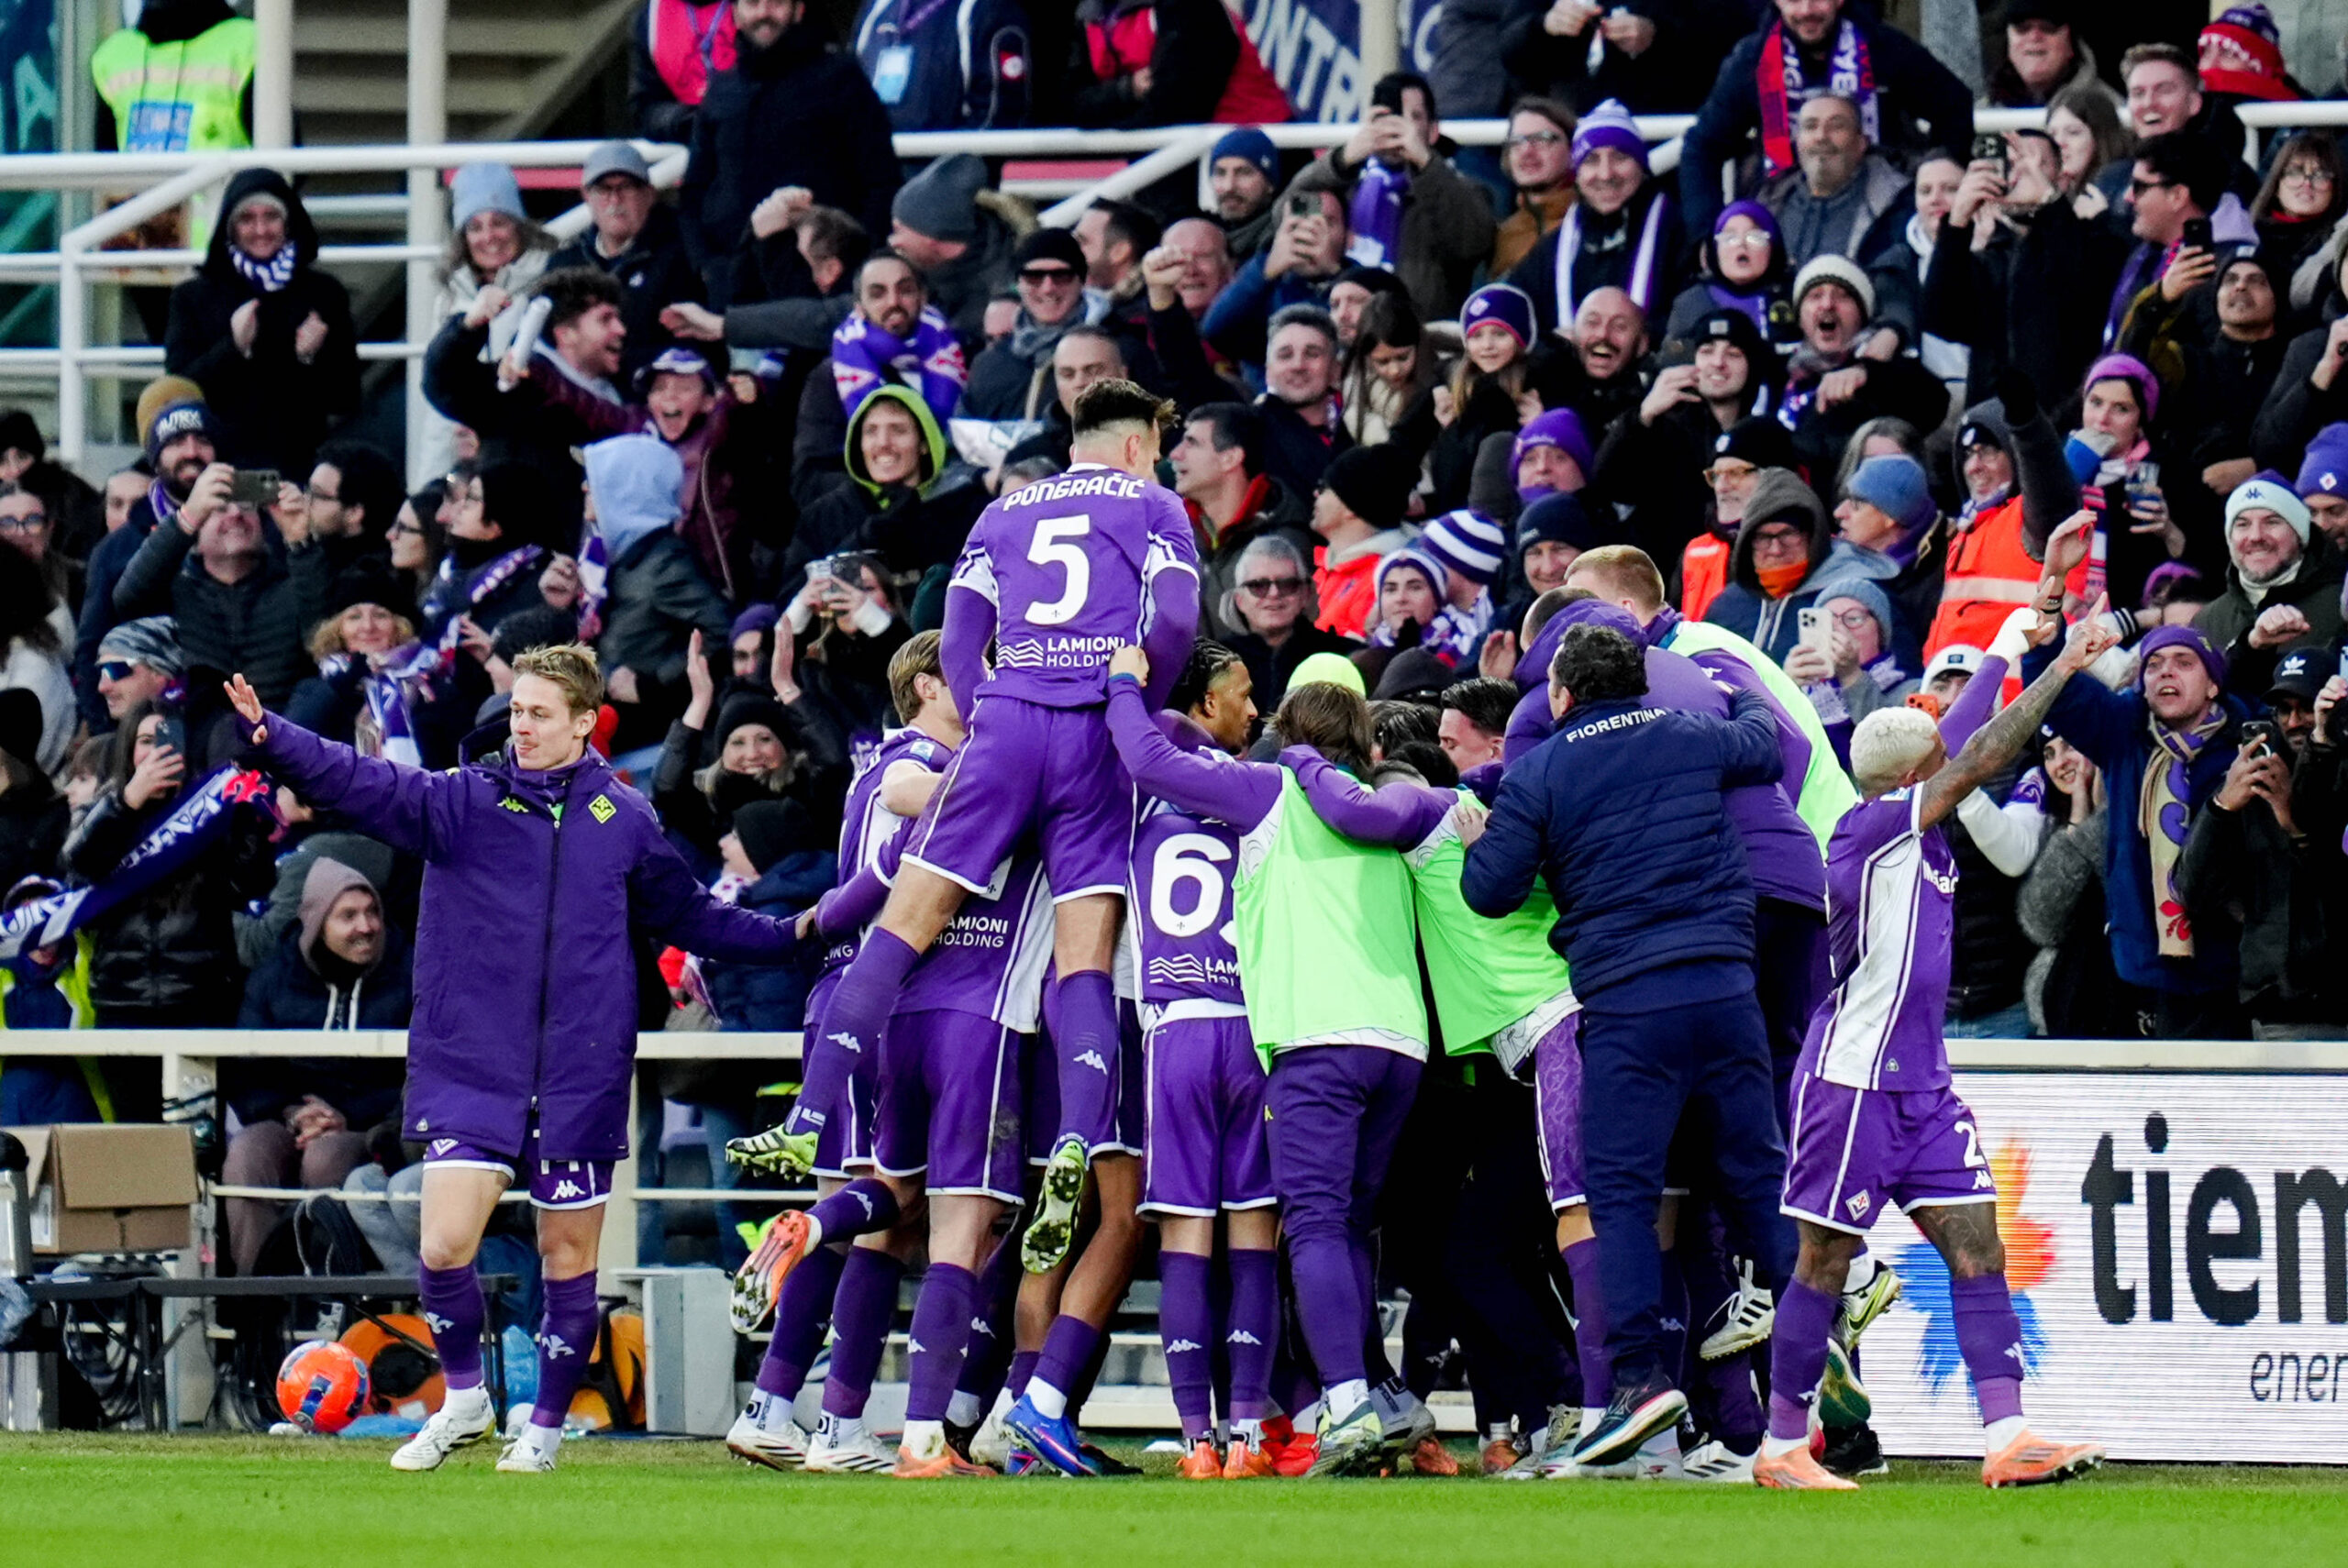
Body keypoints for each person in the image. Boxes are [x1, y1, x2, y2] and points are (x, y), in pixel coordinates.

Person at [225, 641, 802, 1473]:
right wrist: (275, 736)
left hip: (580, 1073)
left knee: (568, 1261)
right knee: (442, 1244)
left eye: (537, 714)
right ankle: (466, 1401)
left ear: (582, 723)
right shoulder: (463, 802)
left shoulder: (625, 819)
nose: (521, 727)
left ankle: (545, 1433)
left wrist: (796, 937)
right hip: (474, 1066)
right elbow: (362, 780)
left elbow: (696, 919)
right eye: (516, 712)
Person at [778, 381, 1197, 1287]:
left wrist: (990, 710)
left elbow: (959, 635)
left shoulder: (1002, 508)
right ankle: (1080, 1137)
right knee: (1083, 962)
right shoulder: (1154, 502)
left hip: (1005, 726)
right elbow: (1176, 619)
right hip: (1094, 732)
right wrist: (1132, 705)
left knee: (900, 927)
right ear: (1135, 445)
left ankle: (807, 1120)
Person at [1757, 607, 2115, 1490]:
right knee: (1824, 1262)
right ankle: (1779, 1445)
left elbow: (1957, 736)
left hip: (1923, 1089)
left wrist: (2014, 636)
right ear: (1916, 772)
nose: (1949, 750)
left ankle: (2007, 1436)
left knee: (1979, 1249)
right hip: (1851, 1083)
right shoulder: (1873, 828)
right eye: (1935, 750)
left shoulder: (1907, 809)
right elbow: (1979, 753)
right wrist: (2064, 667)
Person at [1459, 622, 1793, 1469]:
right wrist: (1734, 685)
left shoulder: (1541, 772)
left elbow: (1488, 894)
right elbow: (1767, 742)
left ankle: (1642, 1379)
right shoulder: (1685, 732)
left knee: (1621, 1195)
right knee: (1757, 1177)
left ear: (1562, 696)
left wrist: (1481, 837)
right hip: (1725, 990)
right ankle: (1806, 1348)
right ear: (1640, 688)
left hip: (1627, 1007)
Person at [1101, 655, 1443, 1474]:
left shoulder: (1267, 793)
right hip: (1401, 1043)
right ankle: (1344, 1404)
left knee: (1313, 1226)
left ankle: (1345, 1403)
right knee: (1347, 1226)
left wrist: (1120, 683)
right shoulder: (1394, 803)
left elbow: (1147, 759)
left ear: (1291, 730)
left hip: (1304, 1034)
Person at [722, 633, 958, 1472]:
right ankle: (843, 1426)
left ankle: (770, 1407)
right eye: (977, 672)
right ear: (928, 687)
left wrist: (820, 922)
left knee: (856, 1219)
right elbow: (901, 841)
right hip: (879, 999)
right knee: (886, 1219)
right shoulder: (920, 761)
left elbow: (857, 881)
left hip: (836, 995)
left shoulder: (876, 763)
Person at [2022, 526, 2253, 1039]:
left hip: (2236, 972)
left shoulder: (2245, 743)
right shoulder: (2123, 731)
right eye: (2153, 664)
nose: (2165, 673)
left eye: (2183, 662)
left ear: (2214, 682)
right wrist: (2056, 578)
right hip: (2148, 973)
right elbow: (2047, 681)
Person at [223, 856, 411, 1275]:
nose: (366, 926)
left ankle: (327, 1301)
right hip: (291, 1115)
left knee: (325, 1159)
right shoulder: (275, 975)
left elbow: (417, 1076)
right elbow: (246, 1069)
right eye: (348, 916)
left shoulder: (409, 972)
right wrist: (293, 1112)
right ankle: (259, 1306)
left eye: (371, 912)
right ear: (316, 922)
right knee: (247, 1157)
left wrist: (347, 1119)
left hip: (370, 1124)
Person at [1678, 0, 1974, 238]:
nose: (1806, 10)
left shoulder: (1884, 47)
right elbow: (1702, 148)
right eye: (1794, 0)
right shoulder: (1752, 59)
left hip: (1885, 219)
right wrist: (1708, 234)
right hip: (1782, 217)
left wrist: (1935, 178)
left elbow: (1955, 106)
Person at [679, 0, 901, 304]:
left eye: (776, 2)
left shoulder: (841, 80)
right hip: (735, 298)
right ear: (735, 13)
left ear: (798, 10)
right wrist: (707, 267)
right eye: (753, 3)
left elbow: (882, 182)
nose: (763, 13)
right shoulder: (721, 92)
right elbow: (694, 192)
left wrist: (855, 270)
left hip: (821, 295)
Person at [163, 170, 358, 477]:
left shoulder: (323, 293)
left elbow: (346, 397)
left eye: (271, 216)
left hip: (299, 464)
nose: (260, 229)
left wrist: (309, 357)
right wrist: (233, 348)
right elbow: (178, 391)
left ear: (289, 222)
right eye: (246, 219)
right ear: (230, 227)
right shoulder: (193, 296)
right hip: (217, 465)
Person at [113, 458, 330, 711]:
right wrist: (185, 519)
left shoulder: (293, 585)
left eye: (247, 505)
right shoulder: (174, 592)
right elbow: (127, 599)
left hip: (281, 739)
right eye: (220, 508)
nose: (236, 514)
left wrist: (300, 540)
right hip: (194, 740)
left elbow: (325, 637)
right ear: (196, 530)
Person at [1290, 72, 1496, 321]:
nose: (1400, 127)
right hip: (1343, 333)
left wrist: (1425, 163)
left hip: (1416, 339)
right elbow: (1291, 212)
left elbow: (1470, 243)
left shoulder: (1460, 189)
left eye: (1413, 117)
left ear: (1432, 132)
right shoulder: (1345, 188)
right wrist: (1342, 160)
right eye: (1389, 117)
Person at [1505, 100, 1679, 338]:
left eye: (1620, 157)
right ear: (1576, 174)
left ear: (1641, 166)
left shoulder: (1677, 234)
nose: (1606, 174)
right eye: (1591, 160)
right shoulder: (1554, 248)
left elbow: (1690, 323)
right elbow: (1509, 312)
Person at [548, 141, 704, 383]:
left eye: (627, 187)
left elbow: (688, 347)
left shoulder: (682, 257)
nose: (614, 200)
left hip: (651, 397)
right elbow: (546, 340)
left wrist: (601, 358)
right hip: (575, 397)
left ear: (649, 194)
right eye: (603, 189)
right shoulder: (565, 264)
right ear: (586, 196)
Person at [1167, 403, 1312, 635]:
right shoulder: (1176, 532)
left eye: (1192, 443)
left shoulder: (1285, 541)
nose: (1175, 453)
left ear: (1231, 458)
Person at [2192, 476, 2343, 688]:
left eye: (2272, 522)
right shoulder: (2208, 621)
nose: (2256, 536)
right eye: (2242, 524)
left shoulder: (2341, 604)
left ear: (2300, 534)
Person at [1067, 0, 1290, 129]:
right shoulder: (1090, 13)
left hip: (1254, 145)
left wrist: (1107, 121)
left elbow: (1177, 105)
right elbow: (1072, 103)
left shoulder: (1189, 6)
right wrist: (1128, 89)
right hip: (1167, 156)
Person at [961, 230, 1103, 421]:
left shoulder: (1117, 349)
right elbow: (961, 435)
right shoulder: (989, 364)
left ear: (1081, 281)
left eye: (1061, 276)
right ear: (1019, 283)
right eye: (1034, 277)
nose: (1047, 288)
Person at [1758, 94, 1909, 271]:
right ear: (1798, 142)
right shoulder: (1767, 204)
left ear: (1861, 142)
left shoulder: (1901, 206)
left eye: (1836, 126)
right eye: (1810, 126)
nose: (1821, 136)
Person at [1221, 534, 1355, 717]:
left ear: (1306, 594)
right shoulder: (1216, 661)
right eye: (1258, 586)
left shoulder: (1342, 655)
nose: (1274, 593)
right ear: (1240, 600)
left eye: (1287, 584)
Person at [851, 0, 1032, 131]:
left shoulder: (989, 10)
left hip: (947, 173)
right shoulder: (876, 9)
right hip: (879, 171)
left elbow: (998, 120)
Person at [1308, 446, 1413, 643]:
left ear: (1350, 507)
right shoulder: (1331, 566)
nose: (1315, 494)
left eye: (1324, 488)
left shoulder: (1383, 580)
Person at [1664, 202, 1795, 349]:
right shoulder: (1691, 303)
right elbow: (1672, 358)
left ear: (1773, 248)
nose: (1742, 245)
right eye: (1729, 238)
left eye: (1755, 237)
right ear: (1714, 251)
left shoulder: (1794, 297)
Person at [1490, 98, 1578, 276]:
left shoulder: (1589, 225)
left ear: (1573, 151)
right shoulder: (1503, 237)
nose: (1527, 151)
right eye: (1517, 141)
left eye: (1542, 139)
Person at [631, 0, 737, 141]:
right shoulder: (649, 17)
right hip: (684, 143)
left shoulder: (759, 9)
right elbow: (644, 109)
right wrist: (691, 119)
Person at [1986, 1, 2121, 111]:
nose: (2034, 37)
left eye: (2047, 28)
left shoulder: (2111, 108)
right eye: (2023, 28)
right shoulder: (1982, 110)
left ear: (2071, 45)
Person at [1208, 127, 1283, 262]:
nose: (1229, 186)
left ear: (1270, 184)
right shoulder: (1203, 231)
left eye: (1244, 173)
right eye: (1220, 173)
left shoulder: (1283, 226)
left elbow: (1309, 186)